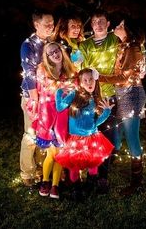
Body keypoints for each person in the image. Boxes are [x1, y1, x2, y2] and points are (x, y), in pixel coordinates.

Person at [99, 17, 146, 195]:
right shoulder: (125, 47)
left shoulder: (133, 49)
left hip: (131, 95)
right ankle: (110, 161)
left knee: (132, 138)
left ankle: (137, 182)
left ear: (129, 31)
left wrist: (100, 77)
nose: (117, 27)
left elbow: (123, 78)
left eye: (121, 25)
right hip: (123, 94)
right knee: (117, 131)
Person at [55, 68, 114, 200]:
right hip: (75, 139)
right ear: (80, 82)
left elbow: (95, 122)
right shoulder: (74, 95)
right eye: (85, 80)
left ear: (95, 80)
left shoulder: (95, 99)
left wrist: (106, 112)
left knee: (93, 165)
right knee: (74, 166)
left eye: (91, 79)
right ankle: (76, 189)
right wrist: (59, 92)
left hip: (92, 138)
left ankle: (90, 184)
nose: (88, 83)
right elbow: (59, 107)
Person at [28, 42, 77, 199]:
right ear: (46, 56)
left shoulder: (69, 70)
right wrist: (64, 87)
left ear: (61, 51)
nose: (55, 54)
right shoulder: (42, 69)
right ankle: (45, 181)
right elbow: (49, 88)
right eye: (51, 53)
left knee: (60, 153)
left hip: (63, 118)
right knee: (52, 153)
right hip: (47, 117)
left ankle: (55, 185)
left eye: (57, 51)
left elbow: (74, 88)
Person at [79, 9, 119, 193]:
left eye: (102, 21)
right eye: (94, 22)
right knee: (90, 136)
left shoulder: (115, 40)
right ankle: (90, 175)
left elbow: (137, 47)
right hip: (90, 97)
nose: (98, 25)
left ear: (108, 23)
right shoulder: (85, 45)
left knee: (107, 136)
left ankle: (103, 177)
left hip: (108, 96)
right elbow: (83, 69)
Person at [20, 9, 54, 187]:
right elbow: (29, 74)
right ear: (36, 24)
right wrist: (35, 100)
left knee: (44, 133)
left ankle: (42, 168)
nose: (50, 26)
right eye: (46, 23)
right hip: (33, 98)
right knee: (31, 134)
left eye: (52, 23)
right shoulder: (29, 45)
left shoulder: (51, 43)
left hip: (48, 97)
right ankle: (27, 172)